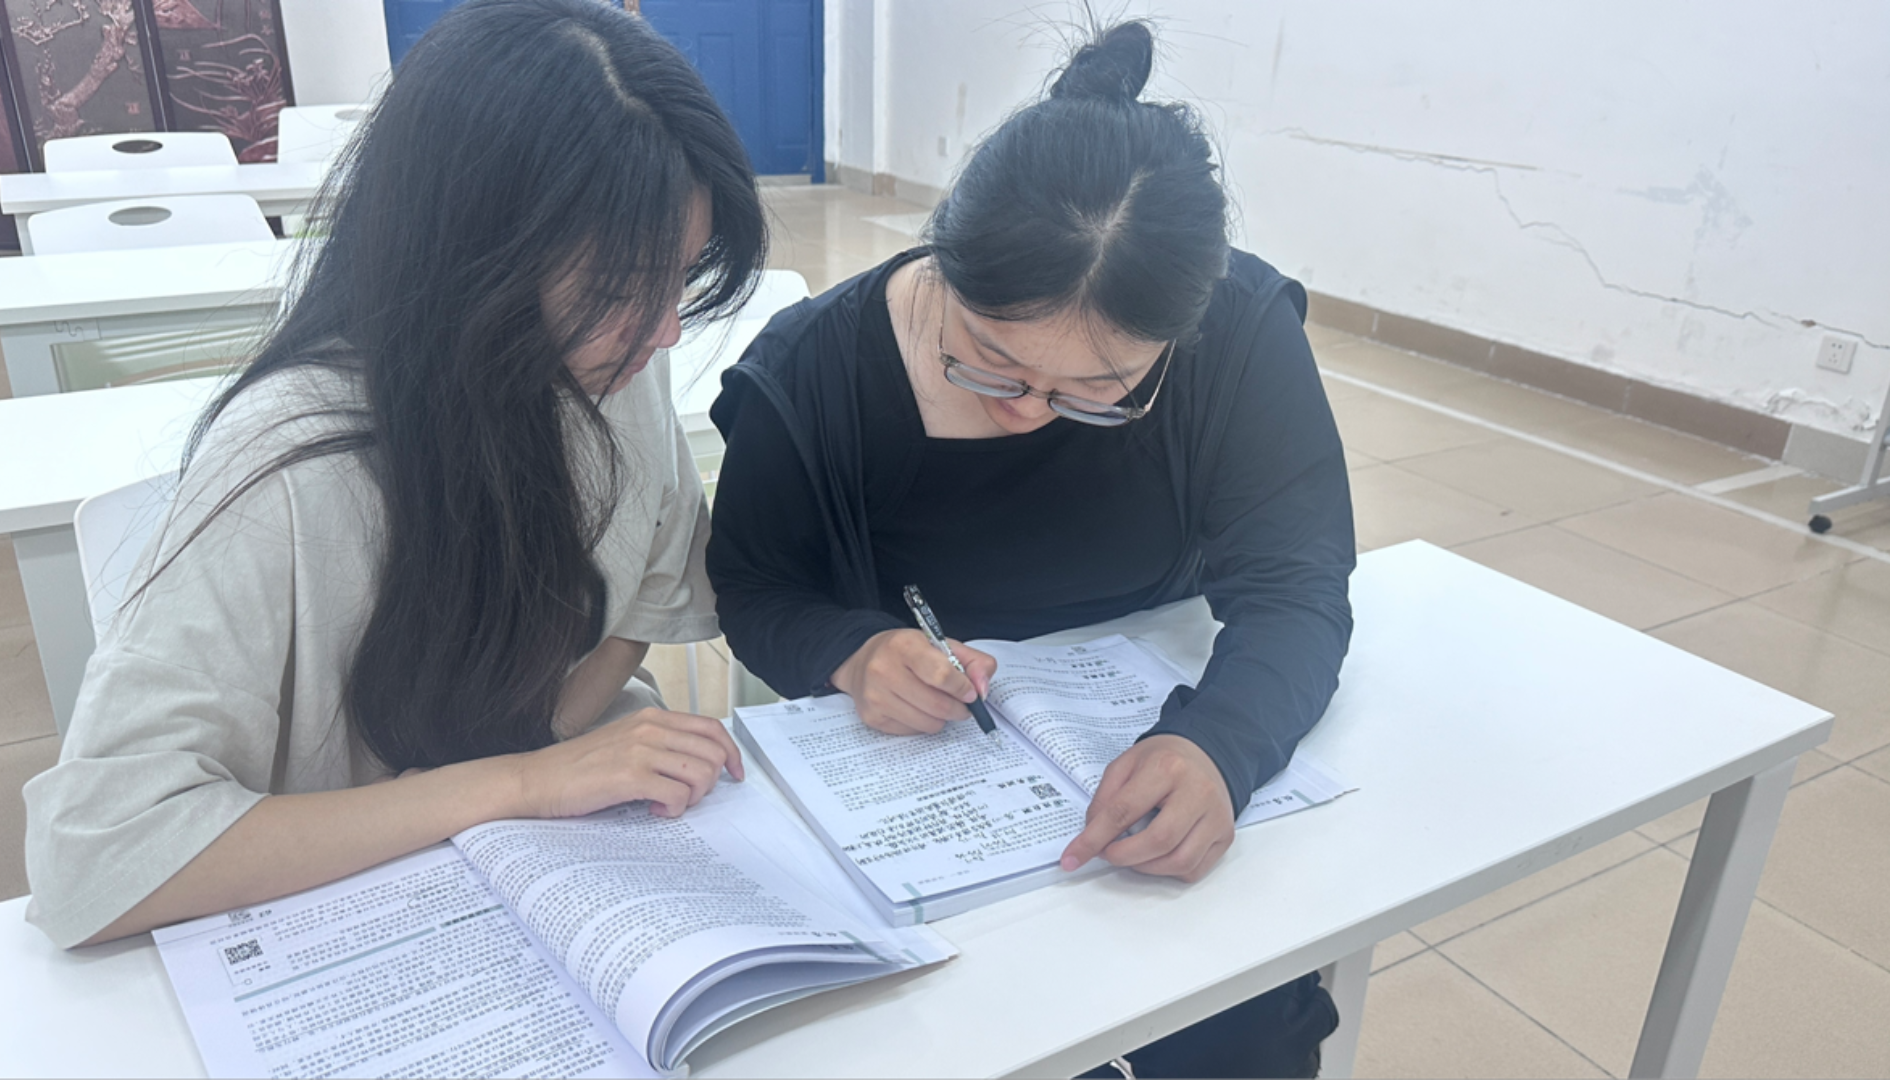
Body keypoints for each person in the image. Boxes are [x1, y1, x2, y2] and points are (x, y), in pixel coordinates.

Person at [23, 0, 766, 950]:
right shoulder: (287, 467)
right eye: (622, 290)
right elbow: (94, 861)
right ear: (475, 257)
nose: (664, 332)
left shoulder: (617, 368)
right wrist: (520, 782)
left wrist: (549, 747)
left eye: (681, 278)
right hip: (354, 911)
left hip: (537, 863)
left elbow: (651, 592)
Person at [706, 21, 1354, 1079]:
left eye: (1098, 391)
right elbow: (755, 586)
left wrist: (1221, 746)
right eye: (989, 361)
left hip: (1142, 812)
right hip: (926, 817)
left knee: (1239, 1035)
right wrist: (853, 652)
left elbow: (1297, 584)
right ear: (944, 265)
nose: (1026, 411)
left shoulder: (1237, 332)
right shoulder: (814, 374)